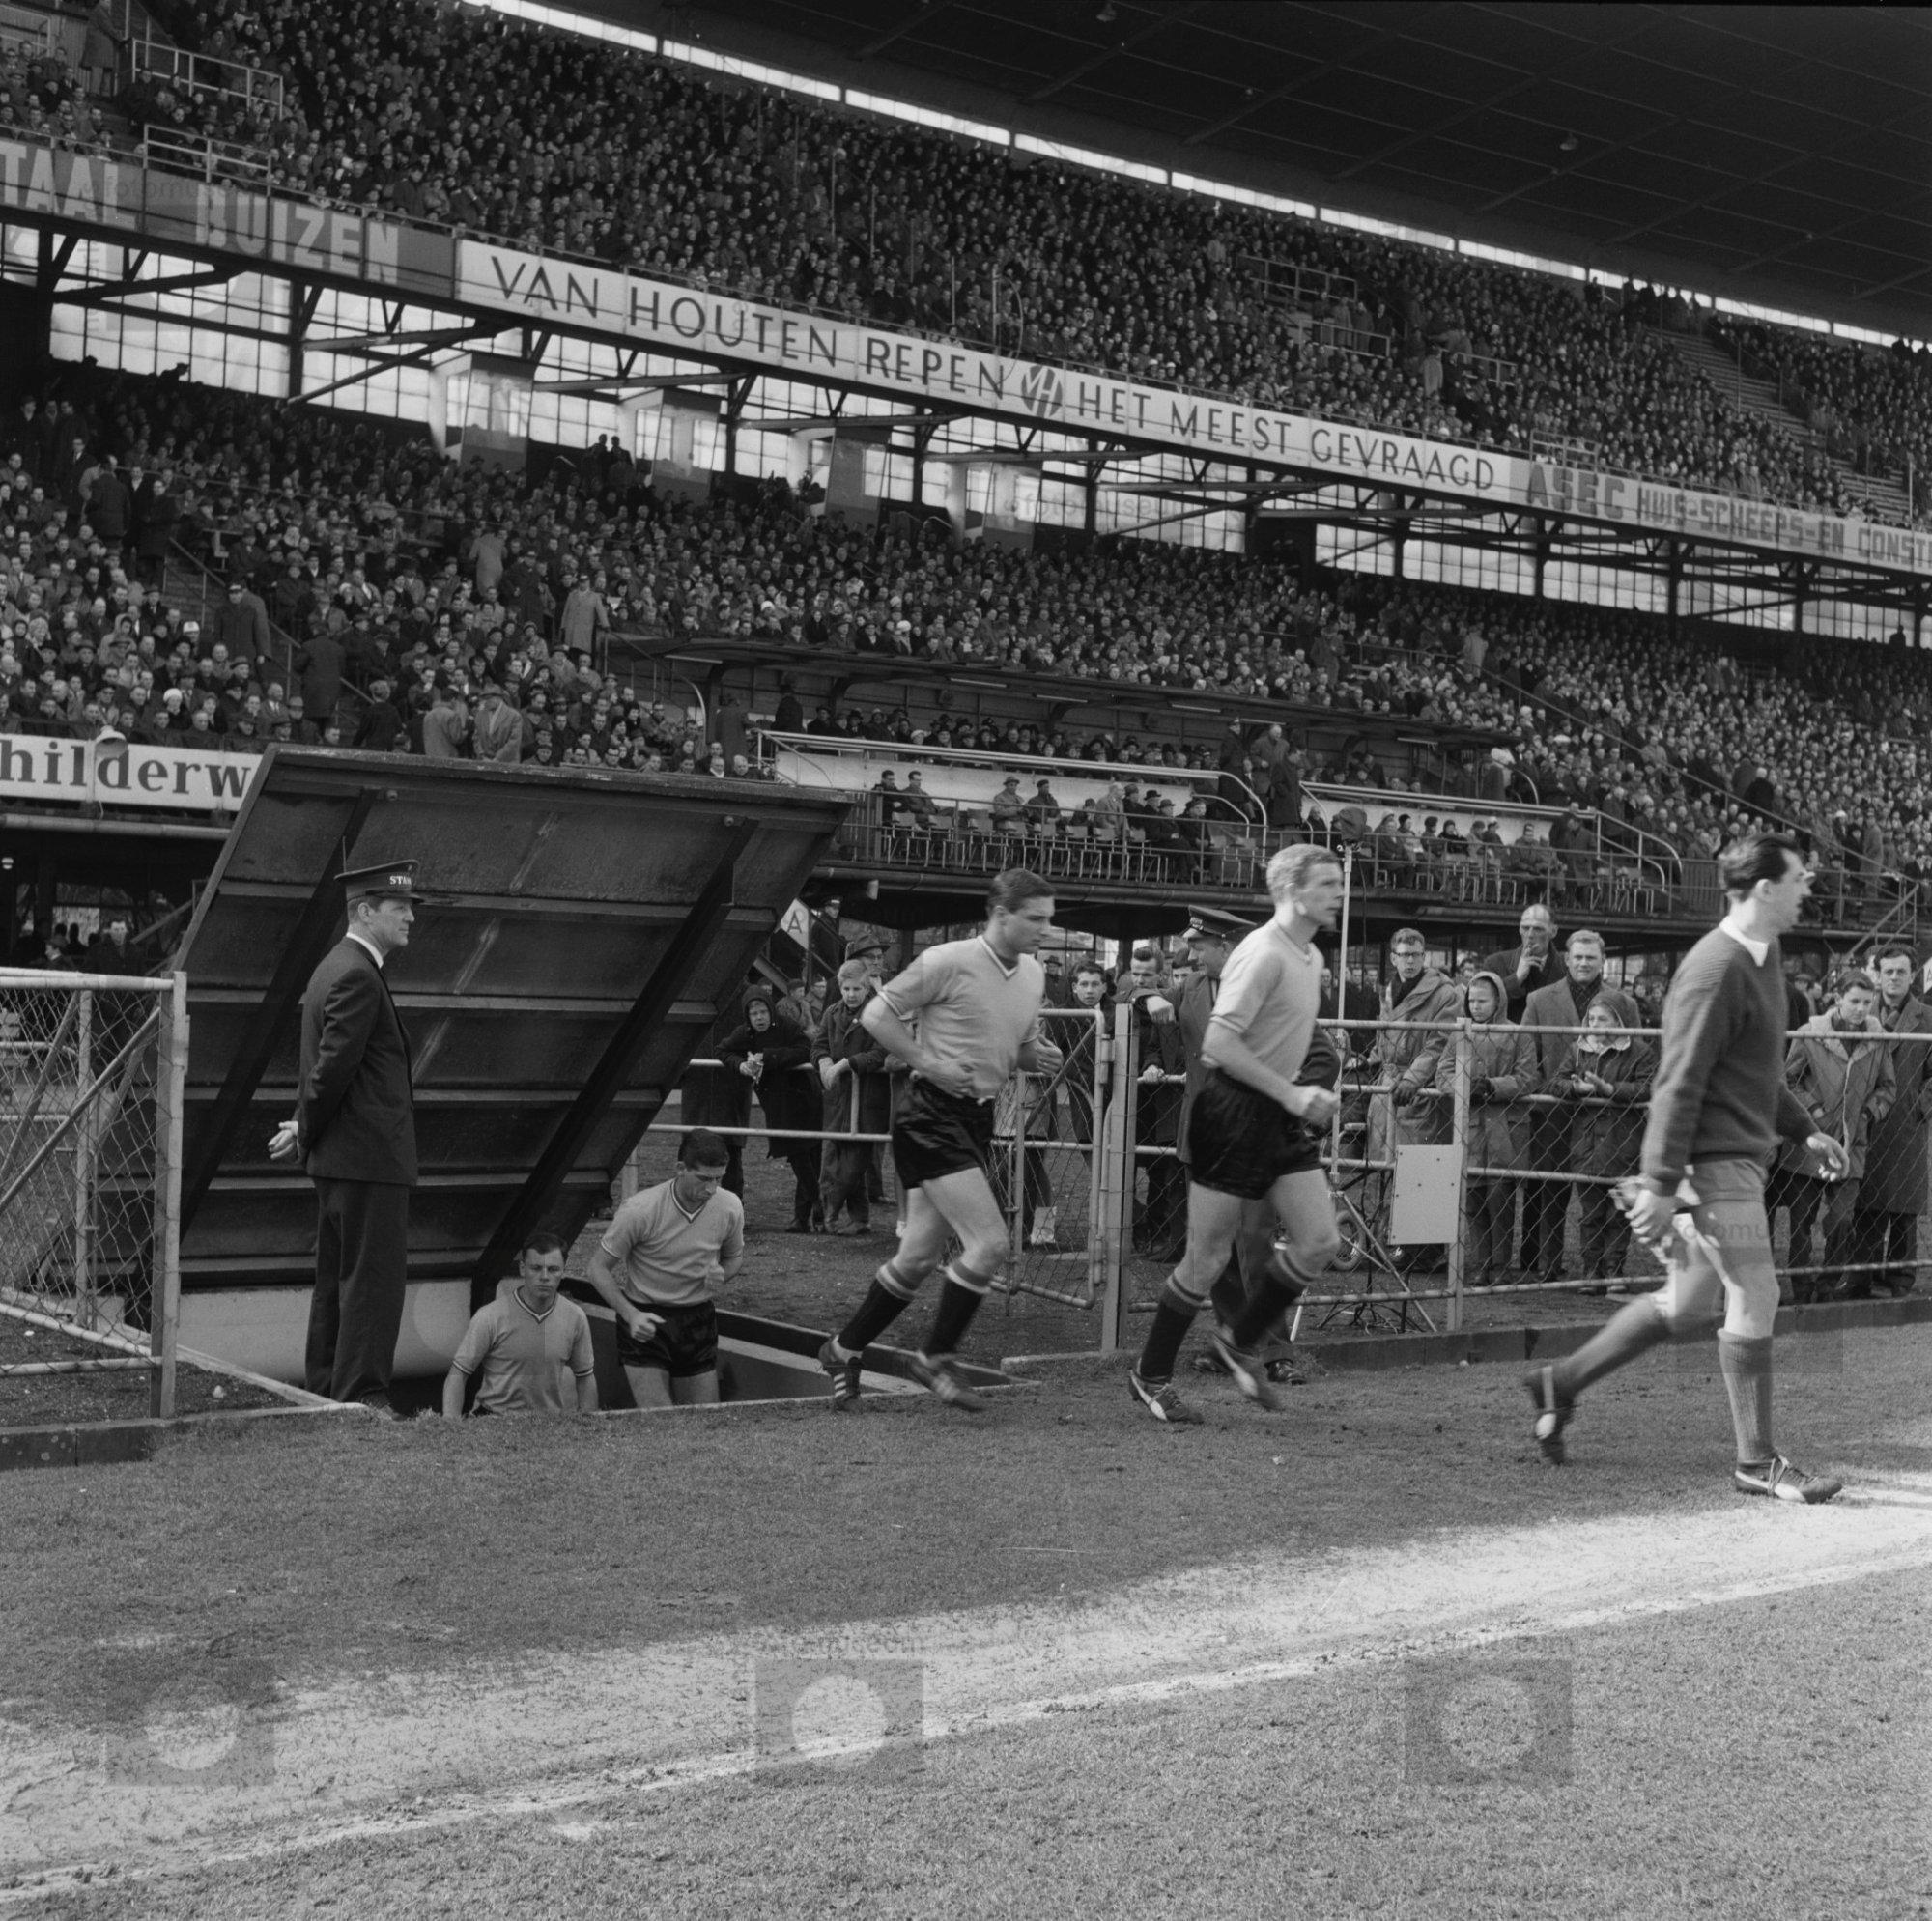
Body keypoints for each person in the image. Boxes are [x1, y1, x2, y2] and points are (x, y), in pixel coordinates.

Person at [1524, 832, 1850, 1504]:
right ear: (1765, 888)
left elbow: (1754, 1068)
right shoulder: (1713, 969)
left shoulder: (1763, 953)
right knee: (1756, 1291)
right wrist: (1660, 1181)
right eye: (1799, 879)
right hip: (1711, 1164)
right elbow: (1677, 1082)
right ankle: (1756, 1461)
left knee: (1689, 1301)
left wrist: (1805, 1130)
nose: (1807, 889)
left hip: (1731, 1160)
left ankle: (1561, 1382)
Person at [817, 869, 1062, 1412]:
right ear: (1000, 915)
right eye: (1036, 918)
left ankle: (842, 1348)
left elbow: (1016, 1046)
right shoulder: (947, 960)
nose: (1046, 929)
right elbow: (877, 1014)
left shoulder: (1032, 974)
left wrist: (1035, 1056)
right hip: (929, 1114)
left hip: (976, 1118)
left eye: (1049, 918)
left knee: (918, 1258)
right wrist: (929, 1063)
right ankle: (934, 1356)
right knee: (990, 1244)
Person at [1126, 845, 1345, 1424]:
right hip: (1230, 1115)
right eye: (1327, 883)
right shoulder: (1264, 952)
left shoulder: (1310, 956)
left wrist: (1301, 1092)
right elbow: (1219, 1045)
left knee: (1320, 1242)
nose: (1338, 893)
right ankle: (1150, 1375)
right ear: (1292, 891)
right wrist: (1293, 1093)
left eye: (1339, 882)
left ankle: (1238, 1342)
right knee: (1206, 1260)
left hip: (1274, 1116)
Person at [269, 861, 421, 1417]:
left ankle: (328, 1387)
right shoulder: (357, 973)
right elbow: (333, 1068)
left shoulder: (335, 966)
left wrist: (303, 1127)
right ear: (364, 911)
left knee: (337, 1282)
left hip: (343, 1157)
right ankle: (362, 1396)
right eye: (398, 907)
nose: (410, 917)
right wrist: (307, 1126)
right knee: (371, 1281)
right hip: (367, 1159)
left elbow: (326, 1067)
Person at [586, 1129, 744, 1408]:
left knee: (703, 1419)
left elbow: (733, 1259)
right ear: (680, 1169)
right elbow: (597, 1269)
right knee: (660, 1419)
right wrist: (631, 1315)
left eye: (718, 1179)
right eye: (704, 1179)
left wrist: (722, 1274)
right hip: (646, 1316)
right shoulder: (640, 1209)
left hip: (697, 1318)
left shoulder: (729, 1206)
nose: (711, 1189)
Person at [1518, 931, 1642, 1284]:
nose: (1584, 963)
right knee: (1551, 1190)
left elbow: (1638, 1055)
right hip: (1556, 1110)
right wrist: (1552, 1088)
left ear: (1603, 961)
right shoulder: (1539, 999)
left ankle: (1607, 1267)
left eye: (1591, 957)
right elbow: (1527, 1054)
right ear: (1566, 959)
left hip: (1609, 1117)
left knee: (1610, 1195)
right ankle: (1547, 1264)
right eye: (1578, 957)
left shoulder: (1625, 1003)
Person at [1781, 971, 1893, 1301]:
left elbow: (1888, 1088)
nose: (1861, 1009)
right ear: (1838, 998)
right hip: (1809, 1143)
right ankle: (1801, 1288)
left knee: (1843, 1220)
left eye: (1867, 1002)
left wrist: (1867, 1114)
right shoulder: (1810, 1034)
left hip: (1851, 1144)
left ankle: (1829, 1285)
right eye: (1854, 1001)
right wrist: (1813, 1110)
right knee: (1801, 1223)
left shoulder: (1878, 1039)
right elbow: (1789, 1081)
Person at [1433, 969, 1534, 1287]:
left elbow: (1527, 1078)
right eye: (1471, 1000)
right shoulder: (1459, 1033)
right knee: (1474, 1197)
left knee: (1500, 1197)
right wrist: (1463, 1087)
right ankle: (1482, 1262)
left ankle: (1501, 1264)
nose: (1475, 1007)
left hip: (1504, 1128)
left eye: (1482, 1001)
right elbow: (1442, 1073)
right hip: (1471, 1126)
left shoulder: (1518, 1034)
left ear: (1499, 1001)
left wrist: (1491, 1086)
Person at [441, 1230, 598, 1418]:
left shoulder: (575, 1317)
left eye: (553, 1269)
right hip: (493, 1419)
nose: (544, 1276)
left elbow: (585, 1376)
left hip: (549, 1422)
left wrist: (591, 1425)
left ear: (564, 1270)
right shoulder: (490, 1316)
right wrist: (451, 1424)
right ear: (522, 1269)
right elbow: (458, 1374)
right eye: (536, 1268)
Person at [1852, 946, 1932, 1297]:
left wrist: (1920, 1105)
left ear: (1913, 975)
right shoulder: (1861, 1012)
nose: (1894, 978)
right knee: (1864, 1201)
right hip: (1865, 1121)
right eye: (1888, 971)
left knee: (1904, 1204)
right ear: (1878, 975)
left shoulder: (1928, 1018)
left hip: (1905, 1123)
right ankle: (1860, 1275)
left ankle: (1899, 1278)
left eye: (1901, 971)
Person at [1561, 1003, 1656, 1290]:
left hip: (1622, 1141)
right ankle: (1591, 1270)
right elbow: (1554, 1082)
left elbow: (1647, 1088)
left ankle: (1614, 1269)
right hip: (1586, 1142)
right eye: (1591, 1018)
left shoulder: (1640, 1052)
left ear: (1619, 1020)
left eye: (1602, 1018)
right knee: (1590, 1213)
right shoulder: (1578, 1049)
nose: (1594, 1024)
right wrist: (1574, 1088)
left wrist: (1610, 1089)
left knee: (1619, 1212)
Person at [717, 984, 822, 1232]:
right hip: (776, 1103)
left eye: (763, 1012)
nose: (759, 1018)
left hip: (804, 1097)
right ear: (747, 1016)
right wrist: (741, 1065)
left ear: (770, 1011)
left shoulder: (787, 1026)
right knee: (797, 1154)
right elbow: (722, 1050)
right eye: (754, 1014)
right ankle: (816, 1205)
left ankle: (805, 1215)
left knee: (809, 1155)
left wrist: (768, 1056)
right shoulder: (744, 1033)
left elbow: (805, 1050)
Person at [814, 959, 892, 1235]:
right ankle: (860, 1219)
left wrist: (847, 1064)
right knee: (833, 1160)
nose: (851, 994)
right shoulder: (831, 1013)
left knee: (854, 1164)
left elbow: (882, 1051)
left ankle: (830, 1212)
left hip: (868, 1100)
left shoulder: (880, 1013)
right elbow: (819, 1044)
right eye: (846, 988)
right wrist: (823, 1061)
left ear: (867, 987)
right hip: (838, 1099)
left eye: (857, 988)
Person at [1477, 904, 1564, 1020]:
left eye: (1538, 929)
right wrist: (1516, 979)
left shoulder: (1568, 967)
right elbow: (1480, 1008)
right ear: (1519, 929)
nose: (1530, 935)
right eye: (1525, 928)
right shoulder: (1495, 963)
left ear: (1553, 931)